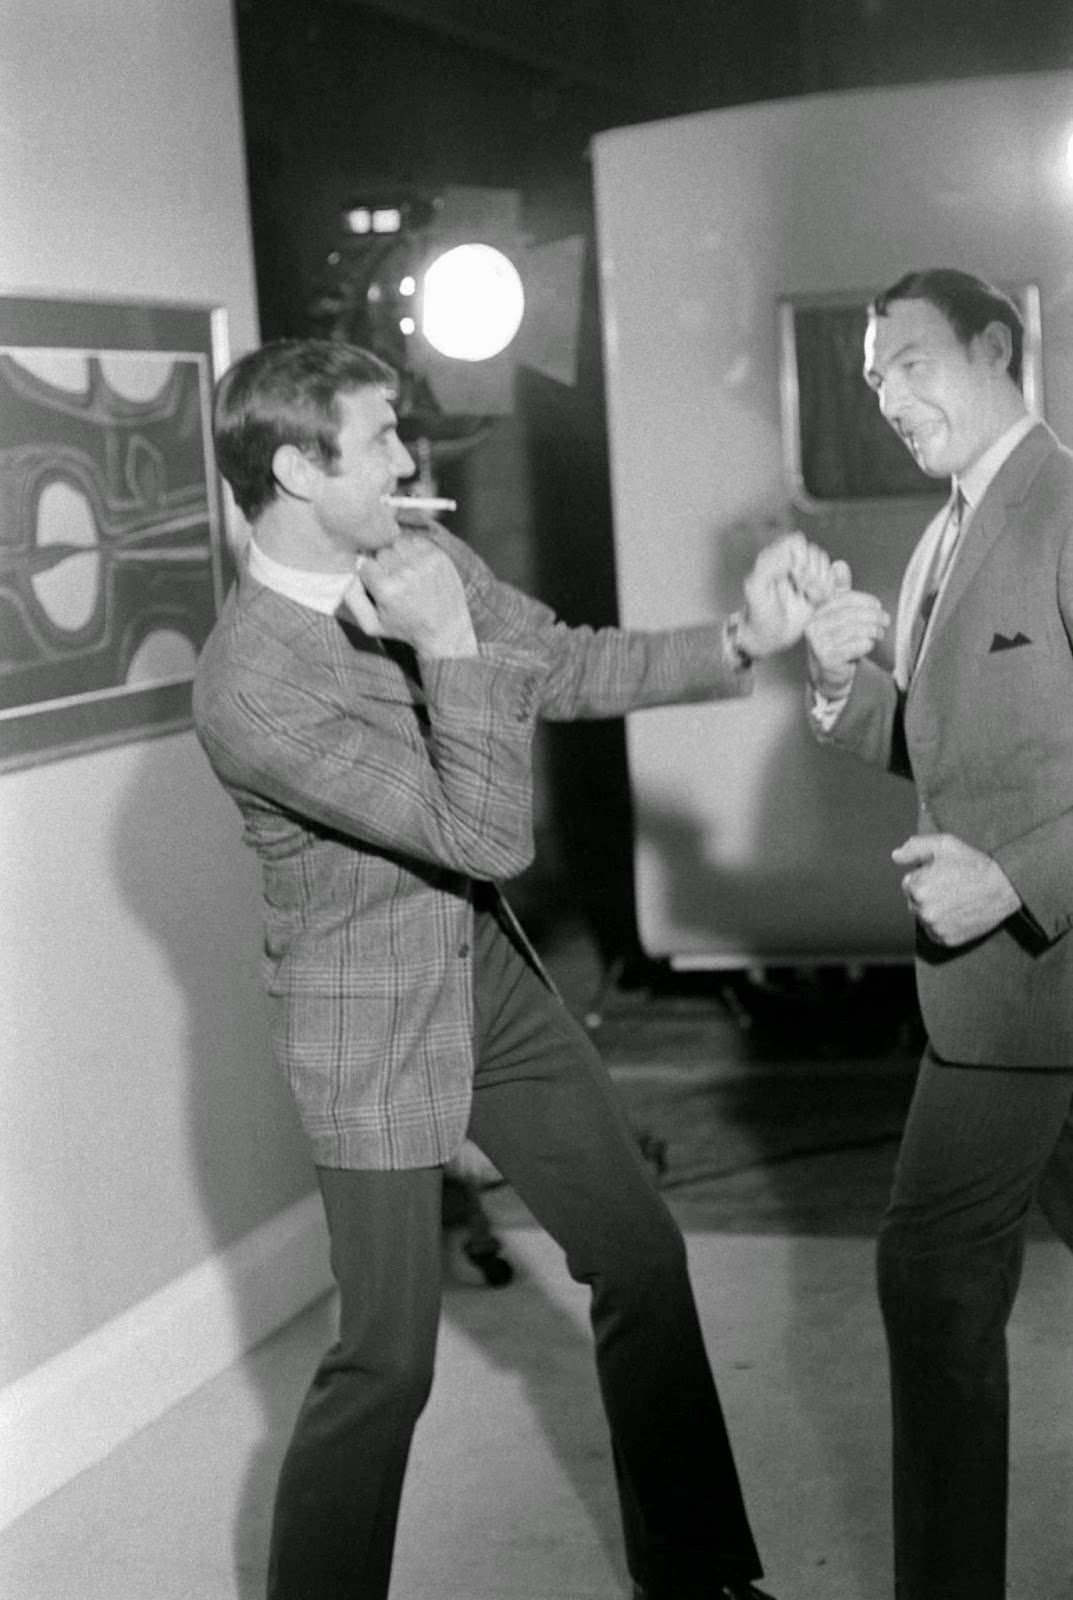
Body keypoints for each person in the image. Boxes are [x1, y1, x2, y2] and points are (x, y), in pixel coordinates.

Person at [193, 336, 831, 1600]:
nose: (407, 460)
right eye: (379, 440)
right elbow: (483, 831)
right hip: (367, 1017)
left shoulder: (418, 560)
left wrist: (738, 637)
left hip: (482, 966)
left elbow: (565, 662)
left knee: (640, 1255)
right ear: (293, 470)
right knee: (387, 1360)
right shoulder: (247, 686)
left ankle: (695, 1574)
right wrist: (450, 646)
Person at [804, 268, 1073, 1600]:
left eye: (912, 365)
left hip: (1029, 987)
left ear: (997, 347)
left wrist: (1013, 884)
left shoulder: (1067, 505)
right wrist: (836, 683)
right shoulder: (947, 530)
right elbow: (949, 743)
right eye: (870, 381)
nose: (890, 400)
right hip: (1016, 1003)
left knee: (928, 1281)